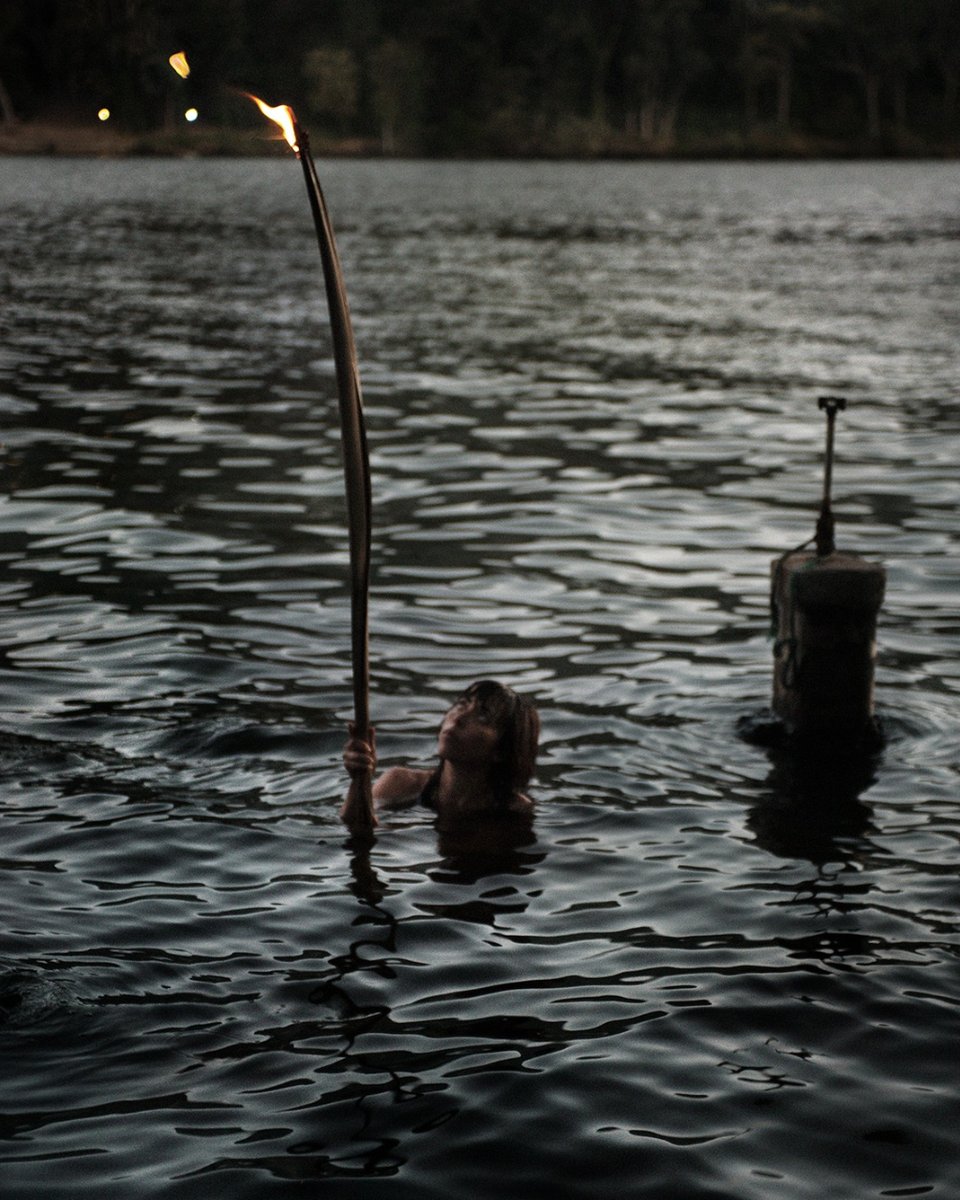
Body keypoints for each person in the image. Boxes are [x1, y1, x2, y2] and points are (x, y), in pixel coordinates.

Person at [341, 680, 540, 831]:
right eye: (461, 705)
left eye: (482, 716)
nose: (458, 717)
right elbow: (355, 831)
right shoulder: (401, 783)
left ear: (502, 751)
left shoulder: (514, 810)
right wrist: (359, 780)